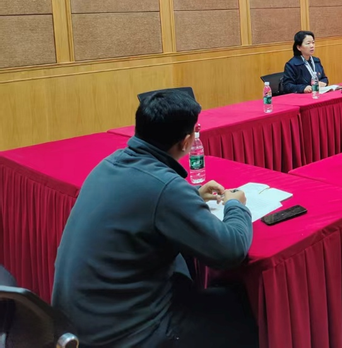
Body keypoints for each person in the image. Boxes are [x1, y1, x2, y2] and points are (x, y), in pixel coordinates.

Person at [52, 91, 257, 348]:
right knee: (241, 309)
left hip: (76, 326)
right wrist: (235, 205)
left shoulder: (108, 164)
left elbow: (144, 201)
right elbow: (231, 250)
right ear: (186, 142)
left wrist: (192, 195)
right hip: (124, 335)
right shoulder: (166, 188)